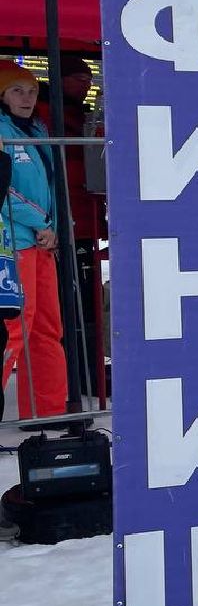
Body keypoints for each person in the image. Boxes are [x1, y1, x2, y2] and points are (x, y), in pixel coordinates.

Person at [0, 61, 68, 418]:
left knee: (46, 329)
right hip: (13, 244)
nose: (26, 98)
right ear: (2, 96)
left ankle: (47, 413)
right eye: (17, 91)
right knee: (13, 329)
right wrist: (41, 222)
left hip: (42, 243)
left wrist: (54, 225)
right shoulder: (2, 131)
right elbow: (4, 189)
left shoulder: (36, 129)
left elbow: (49, 188)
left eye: (32, 91)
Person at [36, 55, 106, 397]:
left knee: (85, 300)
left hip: (83, 218)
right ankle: (76, 377)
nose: (86, 83)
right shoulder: (47, 114)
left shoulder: (76, 112)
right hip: (65, 220)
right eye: (79, 77)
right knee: (70, 302)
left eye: (88, 77)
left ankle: (87, 373)